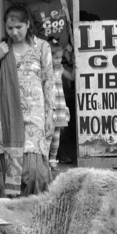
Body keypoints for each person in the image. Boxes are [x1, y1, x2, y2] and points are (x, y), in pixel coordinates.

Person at [0, 5, 55, 196]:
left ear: (27, 24)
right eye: (10, 28)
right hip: (8, 114)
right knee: (13, 162)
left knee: (34, 168)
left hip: (35, 114)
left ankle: (35, 205)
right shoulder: (1, 48)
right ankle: (16, 206)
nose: (14, 32)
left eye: (18, 27)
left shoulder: (42, 47)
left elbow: (49, 82)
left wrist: (50, 115)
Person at [27, 0, 76, 164]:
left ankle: (62, 149)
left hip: (61, 62)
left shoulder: (66, 2)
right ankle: (43, 152)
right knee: (41, 108)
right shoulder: (33, 7)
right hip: (41, 64)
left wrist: (72, 46)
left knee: (62, 108)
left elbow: (76, 25)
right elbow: (29, 37)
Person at [47, 43, 73, 171]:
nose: (58, 61)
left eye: (60, 58)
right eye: (56, 58)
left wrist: (76, 64)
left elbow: (72, 77)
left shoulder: (60, 69)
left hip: (59, 106)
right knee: (47, 136)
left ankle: (52, 160)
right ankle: (43, 162)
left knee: (56, 136)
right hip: (47, 107)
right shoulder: (44, 70)